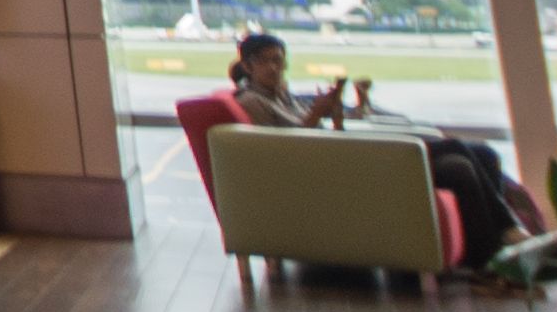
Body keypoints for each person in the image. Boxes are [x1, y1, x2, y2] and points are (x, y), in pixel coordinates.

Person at [227, 31, 539, 263]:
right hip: (335, 166)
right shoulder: (252, 100)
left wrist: (335, 109)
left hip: (335, 156)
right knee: (457, 153)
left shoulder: (281, 95)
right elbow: (282, 148)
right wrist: (315, 115)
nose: (275, 68)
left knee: (477, 156)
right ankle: (499, 239)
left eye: (279, 61)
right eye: (267, 62)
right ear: (248, 65)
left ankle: (497, 244)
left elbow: (311, 130)